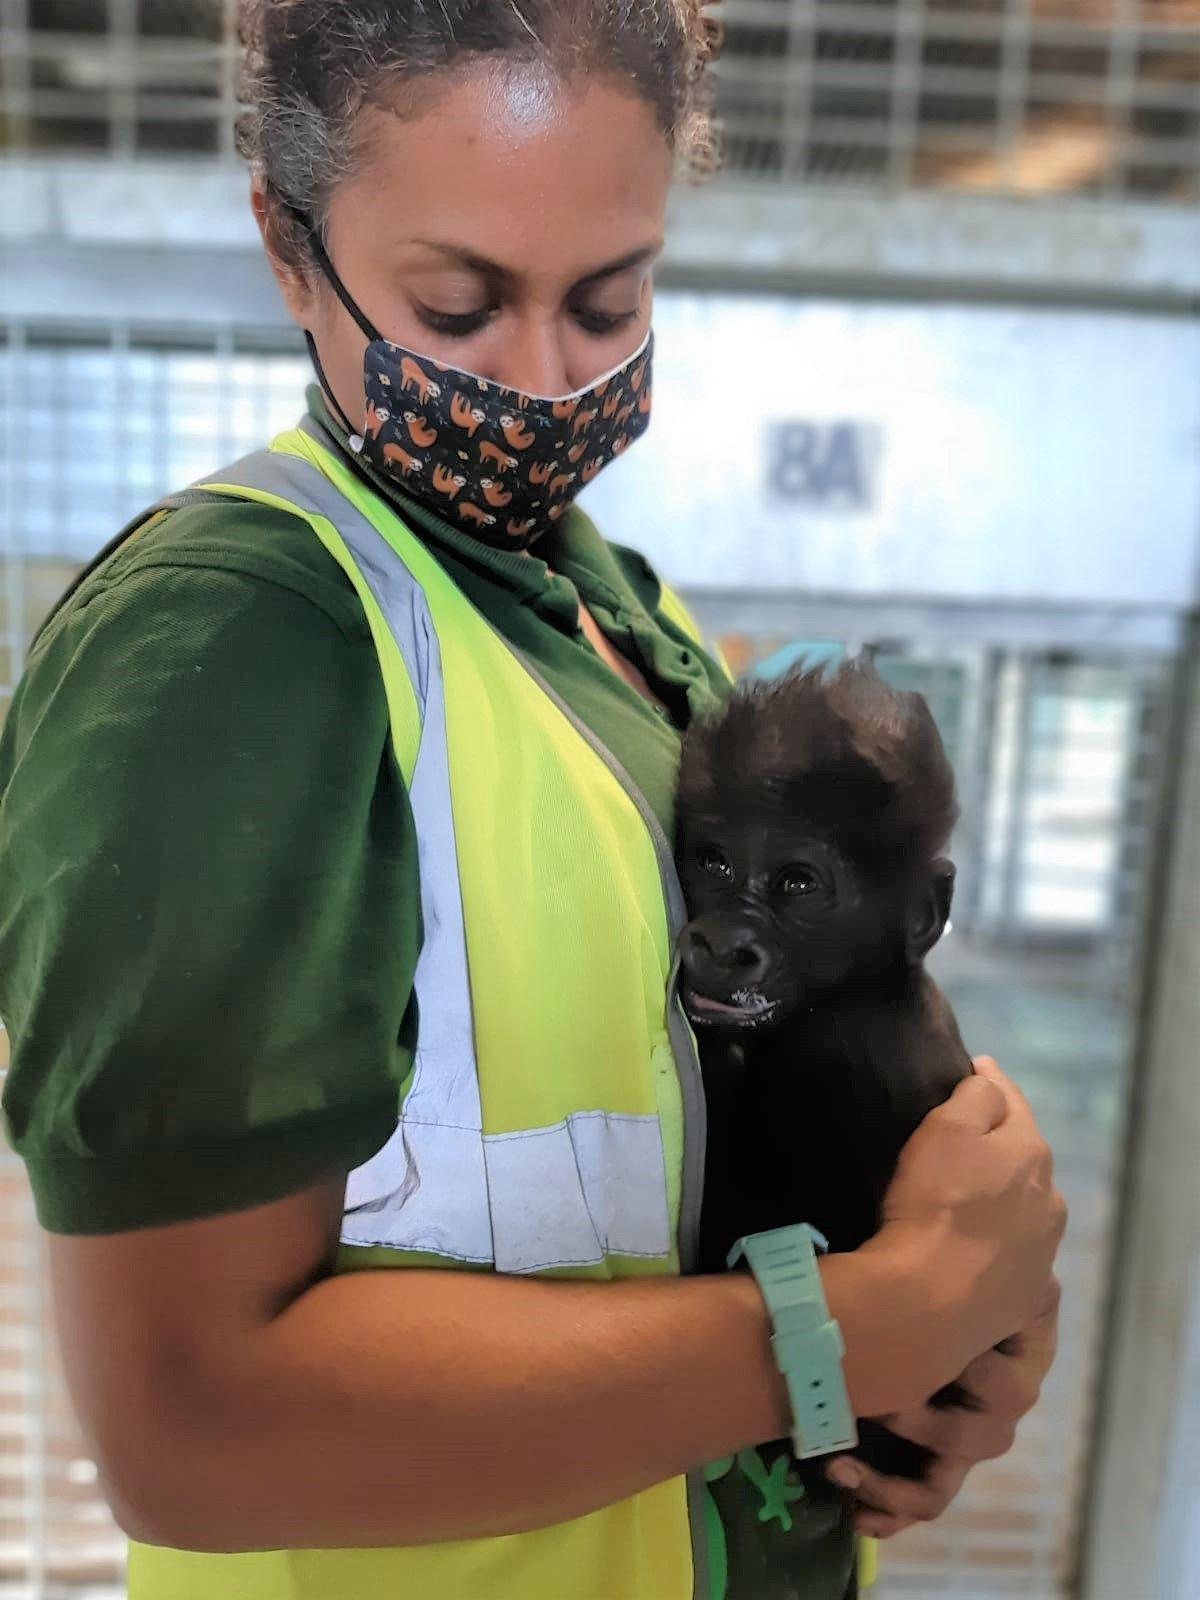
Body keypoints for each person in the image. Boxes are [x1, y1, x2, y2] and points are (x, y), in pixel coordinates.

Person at [0, 4, 1065, 1598]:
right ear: (290, 251)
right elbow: (190, 1429)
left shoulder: (618, 614)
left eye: (608, 299)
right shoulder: (231, 645)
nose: (545, 380)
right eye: (459, 301)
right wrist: (850, 1331)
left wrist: (963, 1298)